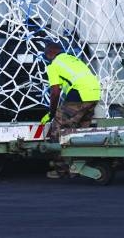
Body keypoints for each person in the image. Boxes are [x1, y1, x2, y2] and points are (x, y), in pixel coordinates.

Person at [43, 41, 101, 179]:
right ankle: (80, 166)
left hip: (79, 95)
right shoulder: (73, 59)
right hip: (94, 94)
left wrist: (52, 113)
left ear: (50, 53)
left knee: (58, 131)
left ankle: (60, 170)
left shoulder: (54, 65)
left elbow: (55, 92)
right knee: (80, 134)